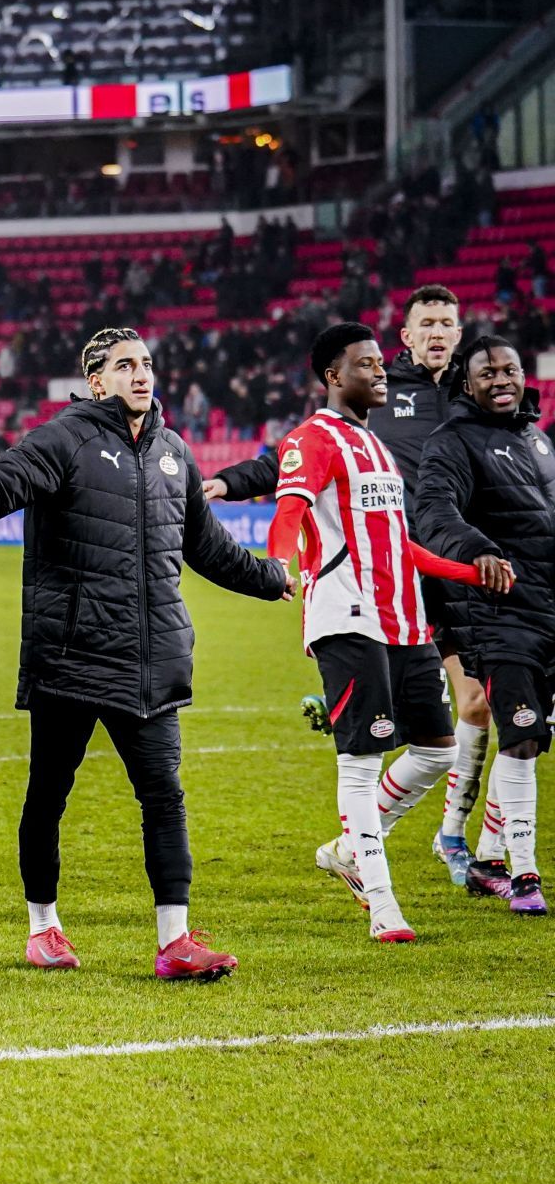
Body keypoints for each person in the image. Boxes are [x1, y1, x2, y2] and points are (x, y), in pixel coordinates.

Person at [0, 327, 288, 979]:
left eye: (148, 363)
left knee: (164, 796)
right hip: (71, 656)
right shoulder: (63, 438)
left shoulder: (174, 454)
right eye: (125, 365)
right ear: (95, 380)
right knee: (49, 795)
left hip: (148, 662)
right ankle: (44, 927)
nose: (141, 375)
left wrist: (272, 578)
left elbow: (207, 548)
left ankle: (175, 941)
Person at [209, 286, 494, 881]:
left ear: (460, 333)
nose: (439, 332)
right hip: (386, 576)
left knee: (476, 707)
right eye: (427, 323)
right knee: (440, 711)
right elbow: (295, 459)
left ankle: (442, 836)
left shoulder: (478, 400)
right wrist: (232, 482)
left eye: (449, 322)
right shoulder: (377, 398)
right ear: (407, 336)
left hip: (447, 566)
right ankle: (421, 841)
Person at [268, 323, 507, 942]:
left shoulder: (377, 451)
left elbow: (399, 545)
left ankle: (349, 848)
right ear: (332, 376)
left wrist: (469, 572)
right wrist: (276, 561)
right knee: (361, 759)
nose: (380, 372)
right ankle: (382, 905)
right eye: (365, 364)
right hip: (347, 617)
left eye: (380, 363)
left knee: (437, 750)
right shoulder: (312, 439)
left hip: (404, 619)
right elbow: (290, 511)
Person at [414, 336, 547, 913]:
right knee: (517, 735)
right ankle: (525, 876)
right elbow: (434, 511)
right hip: (497, 615)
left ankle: (489, 854)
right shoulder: (452, 442)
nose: (501, 379)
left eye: (510, 370)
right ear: (467, 384)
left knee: (533, 737)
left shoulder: (538, 440)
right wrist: (479, 549)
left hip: (547, 611)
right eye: (488, 372)